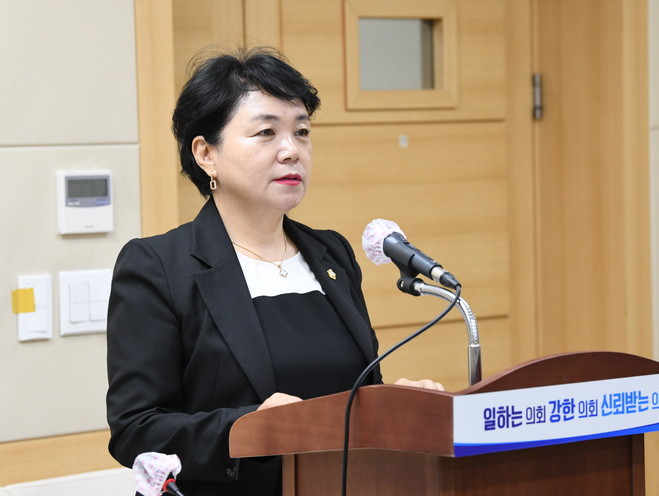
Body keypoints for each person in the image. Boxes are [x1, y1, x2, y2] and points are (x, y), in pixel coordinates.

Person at [106, 47, 443, 496]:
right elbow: (136, 429)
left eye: (301, 132)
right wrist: (252, 428)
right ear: (206, 153)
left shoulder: (331, 253)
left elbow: (356, 390)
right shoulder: (158, 267)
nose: (291, 151)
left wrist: (394, 404)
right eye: (266, 132)